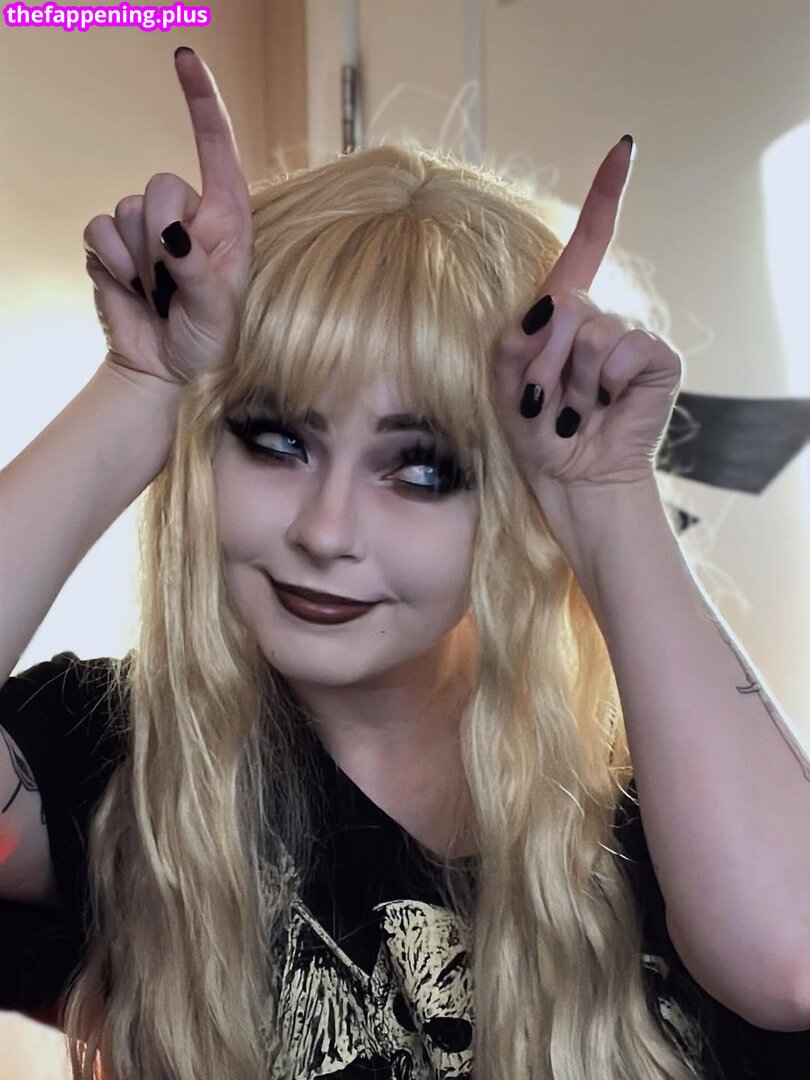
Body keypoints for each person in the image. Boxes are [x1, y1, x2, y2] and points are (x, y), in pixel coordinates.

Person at [1, 46, 807, 1080]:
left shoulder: (671, 809)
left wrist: (605, 495)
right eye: (276, 439)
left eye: (422, 469)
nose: (326, 530)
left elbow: (792, 966)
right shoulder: (126, 762)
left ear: (510, 498)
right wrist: (143, 386)